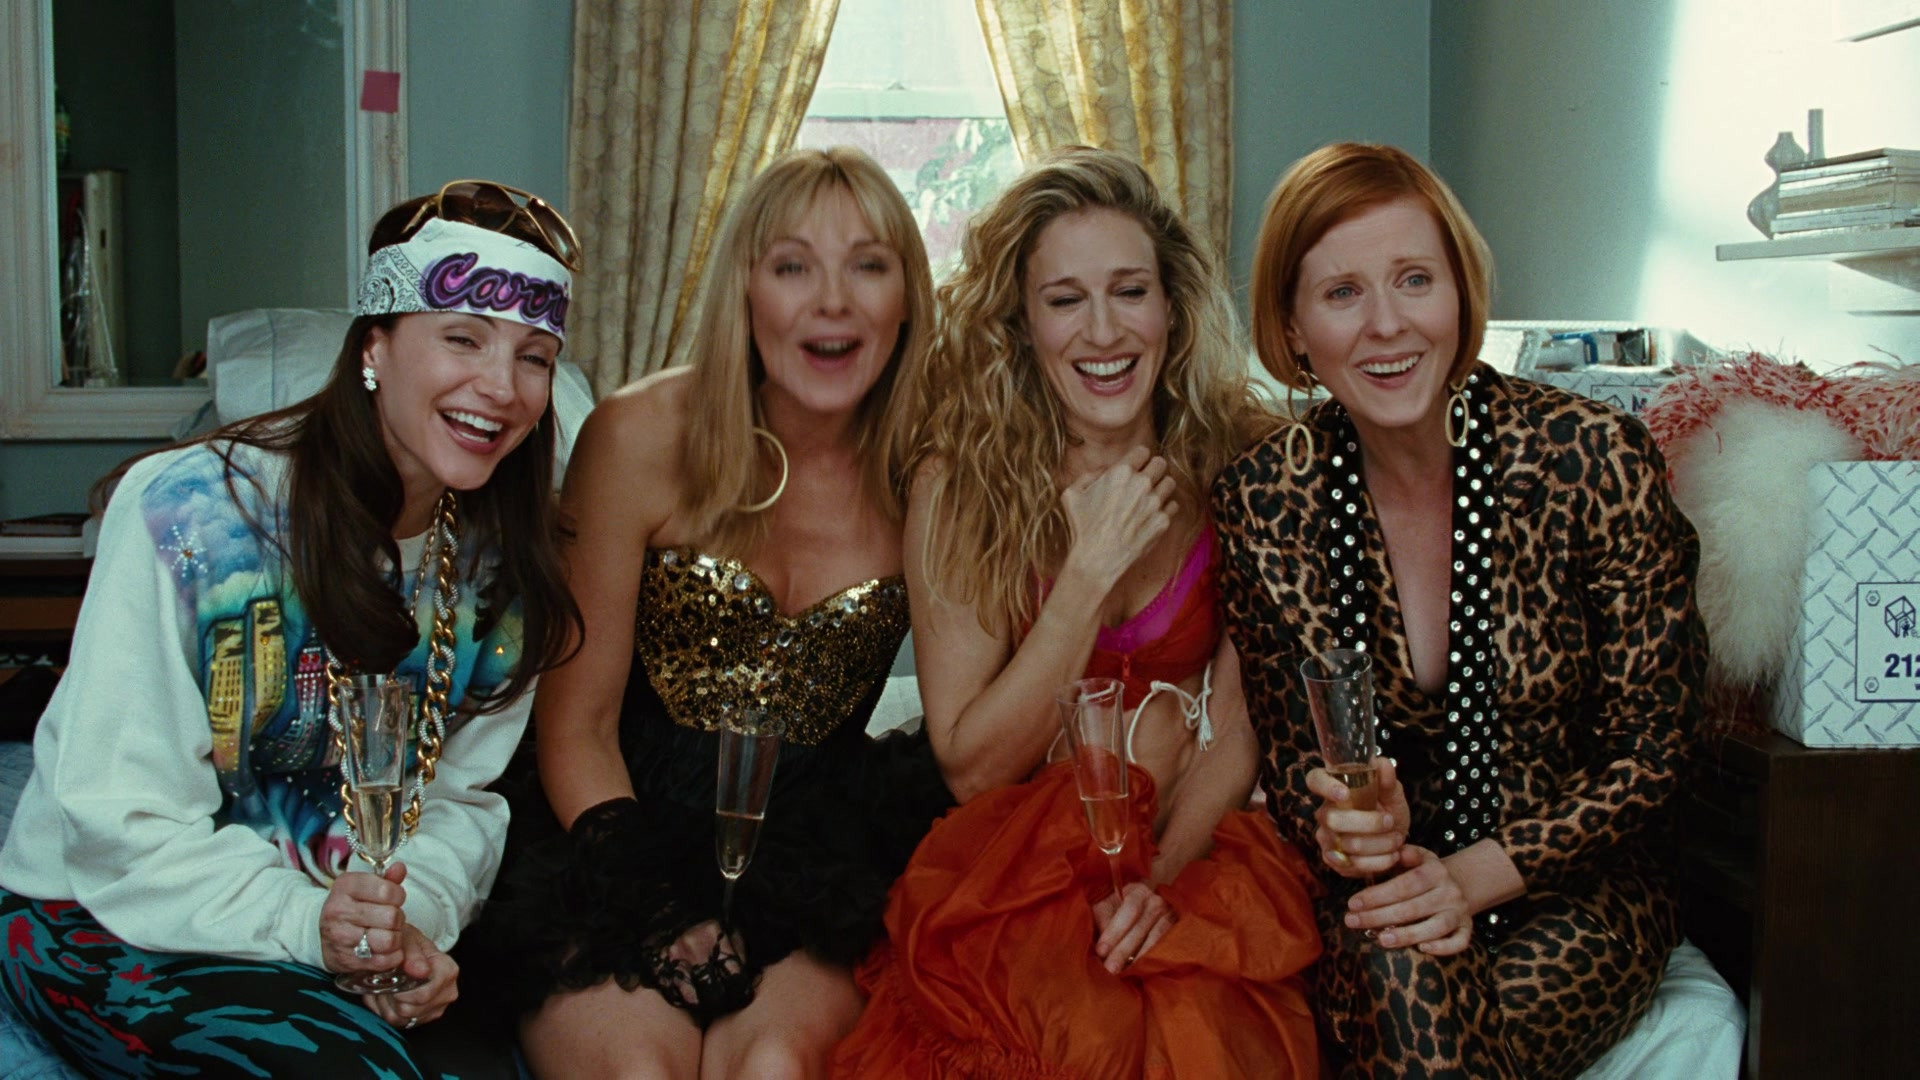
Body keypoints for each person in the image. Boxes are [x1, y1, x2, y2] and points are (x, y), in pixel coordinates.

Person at [0, 180, 584, 1077]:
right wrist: (312, 926)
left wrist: (410, 928)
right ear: (375, 347)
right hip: (110, 916)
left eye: (534, 357)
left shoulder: (503, 570)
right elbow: (115, 818)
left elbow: (459, 799)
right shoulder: (191, 512)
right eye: (463, 339)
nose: (501, 388)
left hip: (342, 931)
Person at [1213, 141, 1709, 1078]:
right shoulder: (1266, 500)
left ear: (1461, 292)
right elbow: (1294, 763)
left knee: (1413, 1011)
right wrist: (1355, 830)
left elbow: (1657, 748)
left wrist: (1475, 876)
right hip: (1385, 888)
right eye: (1343, 292)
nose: (1387, 323)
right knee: (1401, 969)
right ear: (1292, 327)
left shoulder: (1590, 458)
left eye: (1415, 279)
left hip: (1575, 883)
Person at [829, 147, 1321, 1078]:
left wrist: (1157, 885)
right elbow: (972, 764)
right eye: (1065, 300)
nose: (1104, 331)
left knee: (1202, 1036)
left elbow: (1243, 725)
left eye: (1130, 291)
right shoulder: (961, 483)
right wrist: (1089, 572)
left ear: (1171, 307)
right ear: (1022, 324)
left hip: (1198, 845)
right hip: (1025, 861)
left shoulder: (1248, 458)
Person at [468, 145, 951, 1079]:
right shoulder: (638, 434)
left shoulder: (930, 470)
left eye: (868, 265)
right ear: (745, 291)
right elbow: (576, 726)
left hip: (811, 863)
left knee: (772, 1068)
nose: (833, 302)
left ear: (907, 299)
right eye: (793, 267)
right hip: (611, 830)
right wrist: (656, 907)